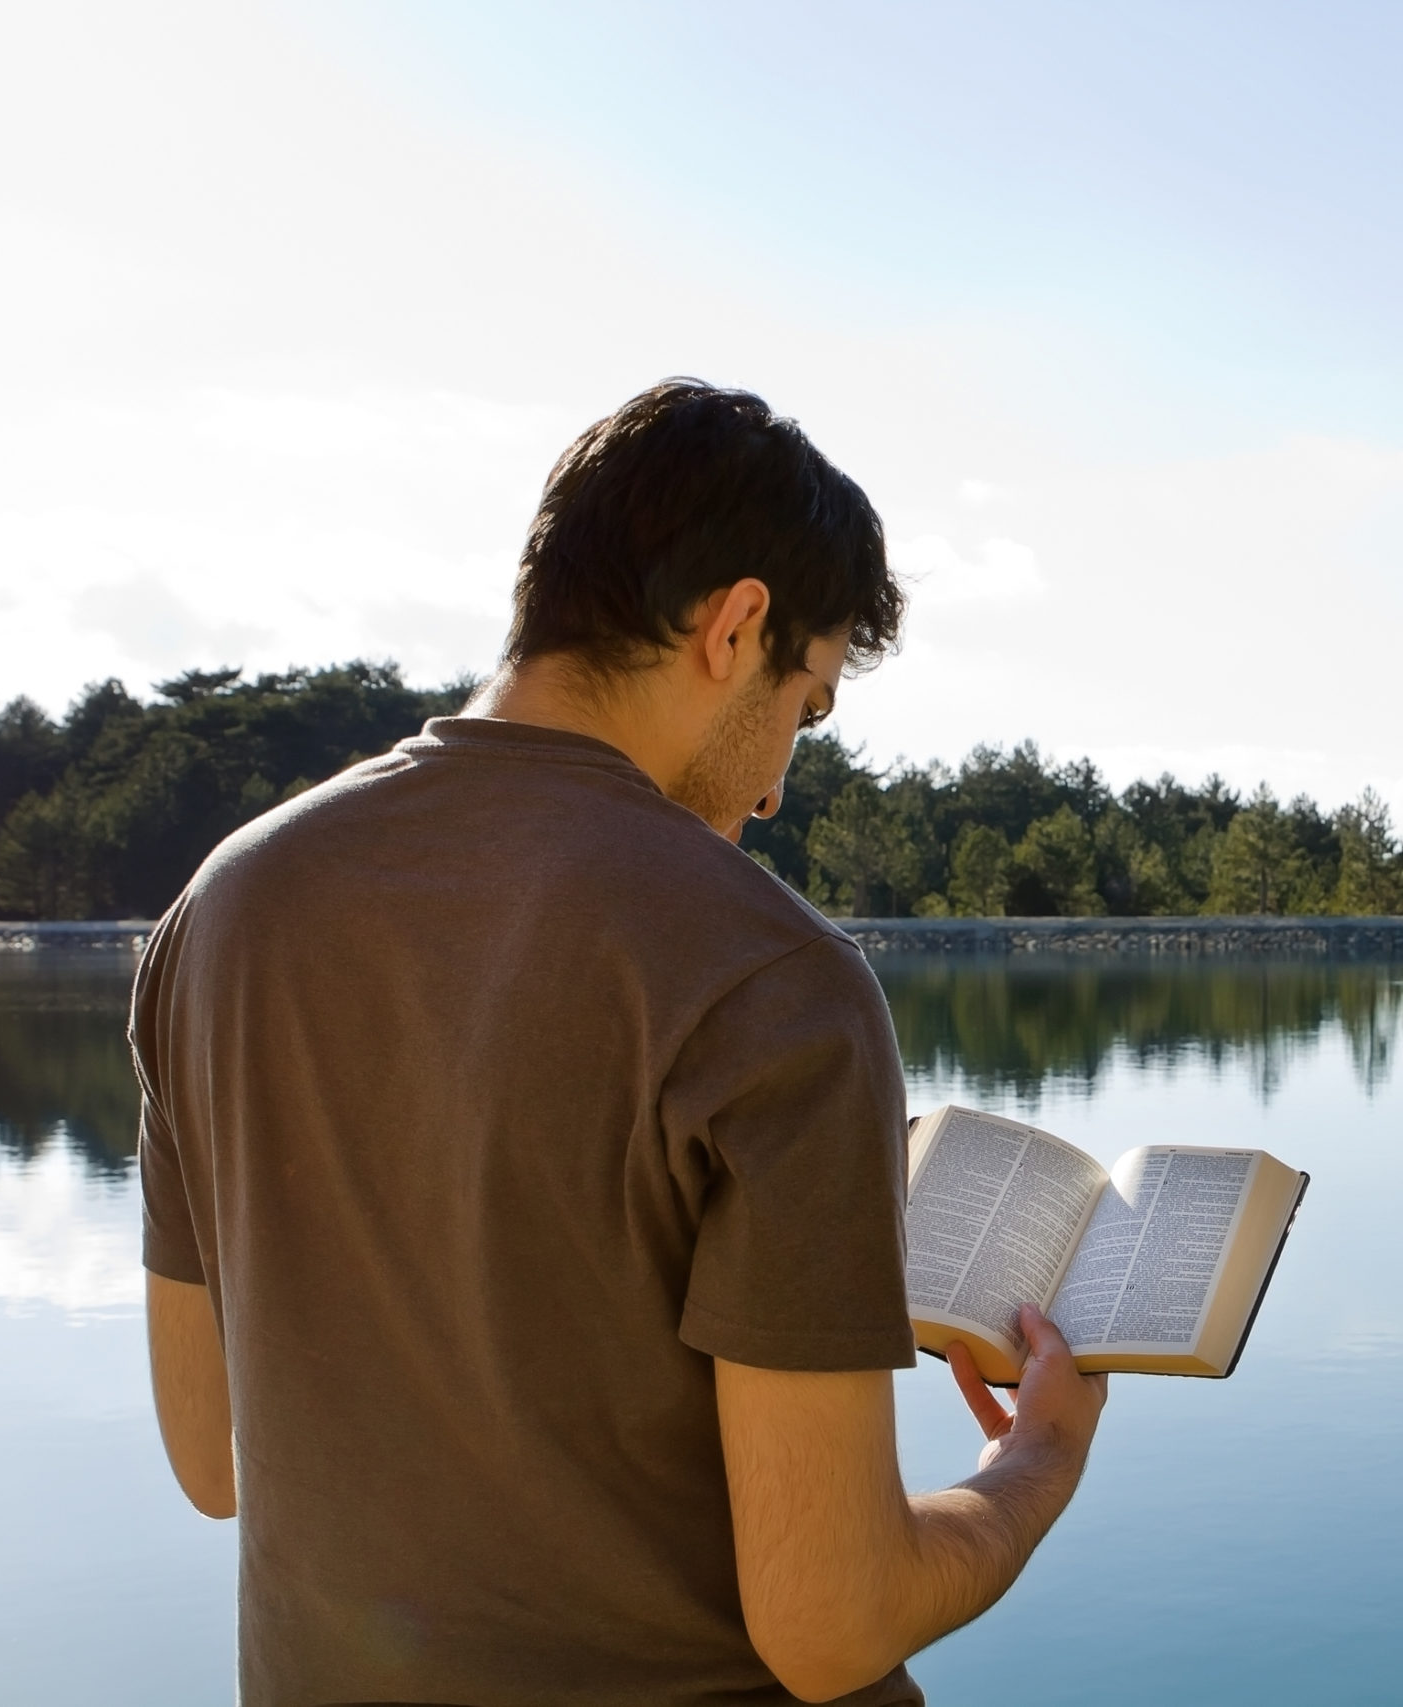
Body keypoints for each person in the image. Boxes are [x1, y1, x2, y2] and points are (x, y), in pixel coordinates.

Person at [135, 379, 1106, 1706]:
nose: (773, 785)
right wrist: (1034, 1467)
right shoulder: (770, 974)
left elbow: (217, 1459)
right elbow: (830, 1625)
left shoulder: (220, 909)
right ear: (736, 625)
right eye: (803, 711)